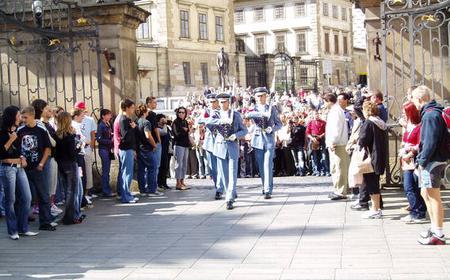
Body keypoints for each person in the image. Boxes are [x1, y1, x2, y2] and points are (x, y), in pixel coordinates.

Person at [411, 85, 448, 245]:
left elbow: (430, 142)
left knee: (433, 197)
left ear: (420, 99)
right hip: (432, 160)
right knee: (426, 194)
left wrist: (422, 160)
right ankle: (434, 228)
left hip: (432, 161)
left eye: (413, 99)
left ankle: (438, 233)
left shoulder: (430, 115)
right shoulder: (431, 113)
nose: (412, 103)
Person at [0, 106, 38, 239]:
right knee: (11, 199)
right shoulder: (2, 132)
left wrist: (22, 158)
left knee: (27, 197)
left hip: (19, 167)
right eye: (18, 115)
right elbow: (2, 154)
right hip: (7, 169)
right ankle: (12, 231)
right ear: (12, 117)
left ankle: (23, 228)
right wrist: (11, 139)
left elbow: (18, 150)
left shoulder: (16, 131)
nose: (20, 118)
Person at [17, 106, 55, 231]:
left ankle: (45, 222)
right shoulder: (20, 130)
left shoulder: (41, 130)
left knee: (43, 195)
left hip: (38, 167)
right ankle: (23, 221)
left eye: (25, 117)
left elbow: (47, 149)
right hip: (23, 168)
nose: (23, 120)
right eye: (22, 117)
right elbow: (16, 148)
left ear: (32, 116)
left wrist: (41, 164)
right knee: (23, 196)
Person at [210, 93, 247, 209]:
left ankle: (229, 198)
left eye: (224, 102)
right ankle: (230, 192)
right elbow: (206, 123)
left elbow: (244, 130)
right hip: (220, 147)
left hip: (232, 147)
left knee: (232, 173)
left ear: (229, 102)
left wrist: (235, 135)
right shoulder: (215, 115)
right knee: (225, 175)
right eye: (220, 102)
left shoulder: (235, 115)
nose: (222, 104)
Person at [246, 87, 282, 199]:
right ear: (255, 97)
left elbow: (279, 124)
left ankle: (268, 189)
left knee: (268, 165)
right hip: (257, 139)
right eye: (258, 96)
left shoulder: (272, 108)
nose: (260, 98)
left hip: (269, 139)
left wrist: (272, 129)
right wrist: (261, 114)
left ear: (266, 96)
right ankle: (264, 185)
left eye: (262, 95)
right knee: (261, 166)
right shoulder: (253, 109)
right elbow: (247, 115)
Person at [31, 99, 62, 217]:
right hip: (46, 158)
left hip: (52, 157)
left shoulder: (47, 124)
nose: (49, 109)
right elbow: (52, 142)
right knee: (47, 184)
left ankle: (50, 204)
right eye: (46, 107)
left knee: (52, 183)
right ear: (40, 110)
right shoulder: (39, 124)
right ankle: (42, 207)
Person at [359, 101, 387, 219]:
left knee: (372, 183)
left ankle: (375, 209)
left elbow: (363, 140)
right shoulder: (380, 123)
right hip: (379, 156)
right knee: (375, 182)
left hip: (371, 157)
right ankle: (376, 207)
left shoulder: (369, 123)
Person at [399, 101, 426, 223]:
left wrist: (410, 152)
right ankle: (417, 210)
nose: (403, 113)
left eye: (404, 111)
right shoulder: (409, 124)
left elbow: (419, 144)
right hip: (406, 157)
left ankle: (417, 212)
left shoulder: (420, 125)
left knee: (410, 186)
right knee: (412, 186)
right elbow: (405, 139)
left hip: (413, 158)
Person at [55, 112, 84, 225]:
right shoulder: (70, 135)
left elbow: (56, 153)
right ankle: (71, 217)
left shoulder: (56, 134)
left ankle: (71, 215)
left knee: (67, 191)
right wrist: (78, 147)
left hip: (61, 164)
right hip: (71, 164)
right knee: (73, 192)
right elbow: (72, 153)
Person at [198, 93, 224, 199]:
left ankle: (220, 188)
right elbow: (199, 121)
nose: (212, 104)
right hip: (209, 143)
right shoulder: (206, 112)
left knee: (221, 166)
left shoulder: (222, 112)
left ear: (218, 102)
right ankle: (217, 186)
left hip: (220, 141)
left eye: (214, 102)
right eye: (210, 102)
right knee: (213, 168)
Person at [324, 93, 350, 200]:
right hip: (336, 143)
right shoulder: (335, 111)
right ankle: (338, 189)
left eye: (325, 102)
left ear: (329, 101)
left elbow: (336, 129)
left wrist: (332, 142)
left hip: (338, 144)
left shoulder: (335, 112)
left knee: (339, 167)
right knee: (335, 167)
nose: (324, 104)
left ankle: (341, 190)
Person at [136, 103, 162, 196]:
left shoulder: (136, 121)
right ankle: (151, 190)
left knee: (141, 170)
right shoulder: (146, 122)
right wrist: (154, 144)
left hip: (139, 148)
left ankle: (142, 190)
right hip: (147, 148)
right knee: (152, 168)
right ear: (145, 112)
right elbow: (148, 135)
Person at [74, 102, 97, 199]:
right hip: (78, 149)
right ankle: (82, 193)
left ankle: (87, 192)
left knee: (88, 170)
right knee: (80, 171)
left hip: (87, 148)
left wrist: (91, 146)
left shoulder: (90, 119)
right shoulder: (74, 121)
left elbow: (93, 134)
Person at [118, 99, 139, 204]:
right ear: (126, 108)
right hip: (126, 149)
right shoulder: (124, 120)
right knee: (127, 173)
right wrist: (133, 128)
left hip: (128, 149)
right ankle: (126, 196)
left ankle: (127, 194)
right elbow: (125, 136)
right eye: (132, 108)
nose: (133, 110)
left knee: (127, 173)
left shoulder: (126, 119)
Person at [172, 107, 191, 190]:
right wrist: (185, 130)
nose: (181, 114)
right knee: (178, 164)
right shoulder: (175, 122)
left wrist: (185, 130)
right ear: (177, 113)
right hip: (179, 145)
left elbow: (186, 133)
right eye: (180, 112)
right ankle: (178, 183)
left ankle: (182, 181)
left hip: (185, 145)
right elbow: (177, 134)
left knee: (184, 164)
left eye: (183, 112)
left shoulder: (185, 122)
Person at [146, 97, 162, 194]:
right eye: (154, 102)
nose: (156, 104)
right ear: (149, 103)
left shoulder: (146, 115)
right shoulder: (152, 114)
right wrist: (159, 140)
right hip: (154, 142)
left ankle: (151, 186)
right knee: (155, 166)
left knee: (150, 167)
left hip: (147, 143)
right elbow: (155, 129)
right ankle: (153, 187)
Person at [96, 109, 114, 197]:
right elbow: (99, 139)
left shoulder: (108, 124)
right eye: (108, 115)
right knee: (106, 171)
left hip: (107, 149)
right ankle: (105, 191)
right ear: (103, 116)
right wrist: (110, 141)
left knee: (107, 170)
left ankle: (107, 189)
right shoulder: (101, 125)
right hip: (103, 150)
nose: (110, 116)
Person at [306, 111, 328, 176]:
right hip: (313, 139)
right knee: (315, 157)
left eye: (317, 114)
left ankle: (325, 171)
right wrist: (312, 138)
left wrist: (321, 136)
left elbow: (326, 131)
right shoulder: (310, 122)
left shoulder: (323, 122)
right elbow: (308, 132)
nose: (317, 115)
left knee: (324, 156)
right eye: (315, 114)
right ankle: (317, 171)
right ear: (313, 115)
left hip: (322, 139)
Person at [157, 114, 172, 191]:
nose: (164, 120)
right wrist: (165, 124)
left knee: (166, 167)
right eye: (163, 119)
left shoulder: (167, 127)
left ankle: (164, 183)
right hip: (161, 149)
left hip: (167, 150)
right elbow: (164, 132)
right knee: (161, 167)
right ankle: (159, 183)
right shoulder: (158, 128)